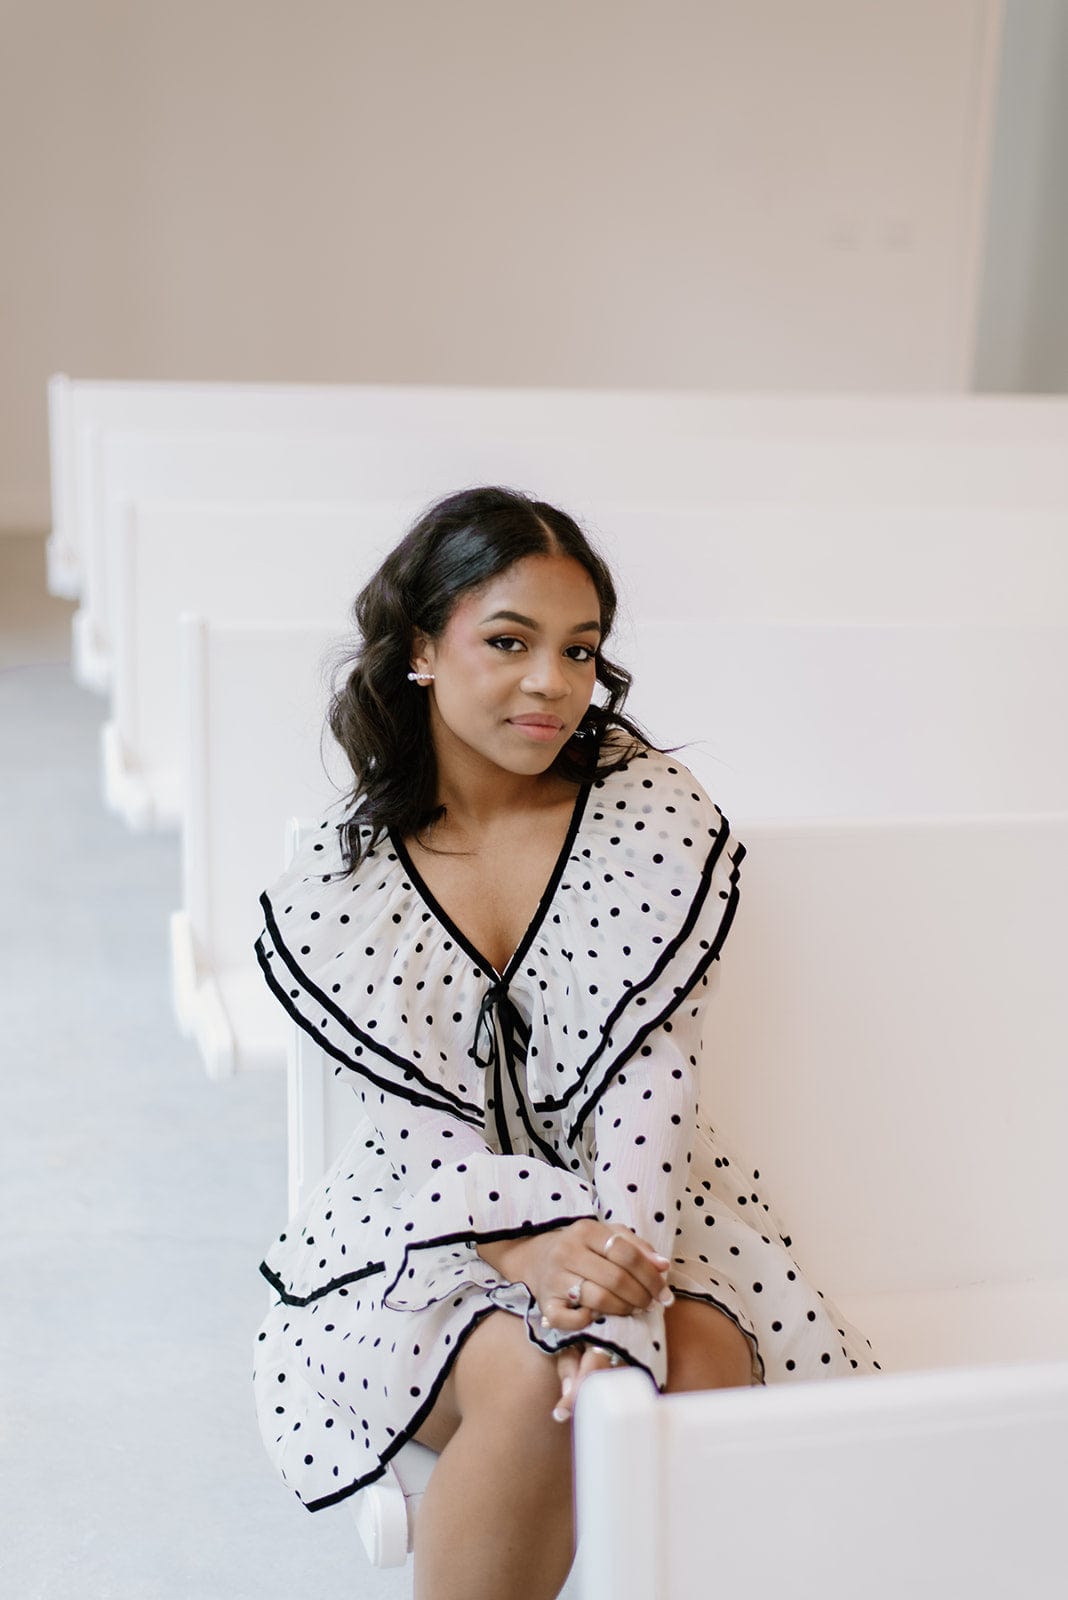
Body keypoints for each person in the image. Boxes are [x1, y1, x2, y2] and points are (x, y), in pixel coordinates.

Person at [251, 485, 880, 1599]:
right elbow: (421, 1142)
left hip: (641, 1200)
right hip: (441, 1225)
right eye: (509, 640)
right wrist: (532, 1251)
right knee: (530, 1370)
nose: (553, 682)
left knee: (689, 1360)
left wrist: (616, 1296)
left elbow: (652, 1075)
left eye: (579, 650)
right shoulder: (344, 888)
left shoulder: (645, 810)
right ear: (421, 650)